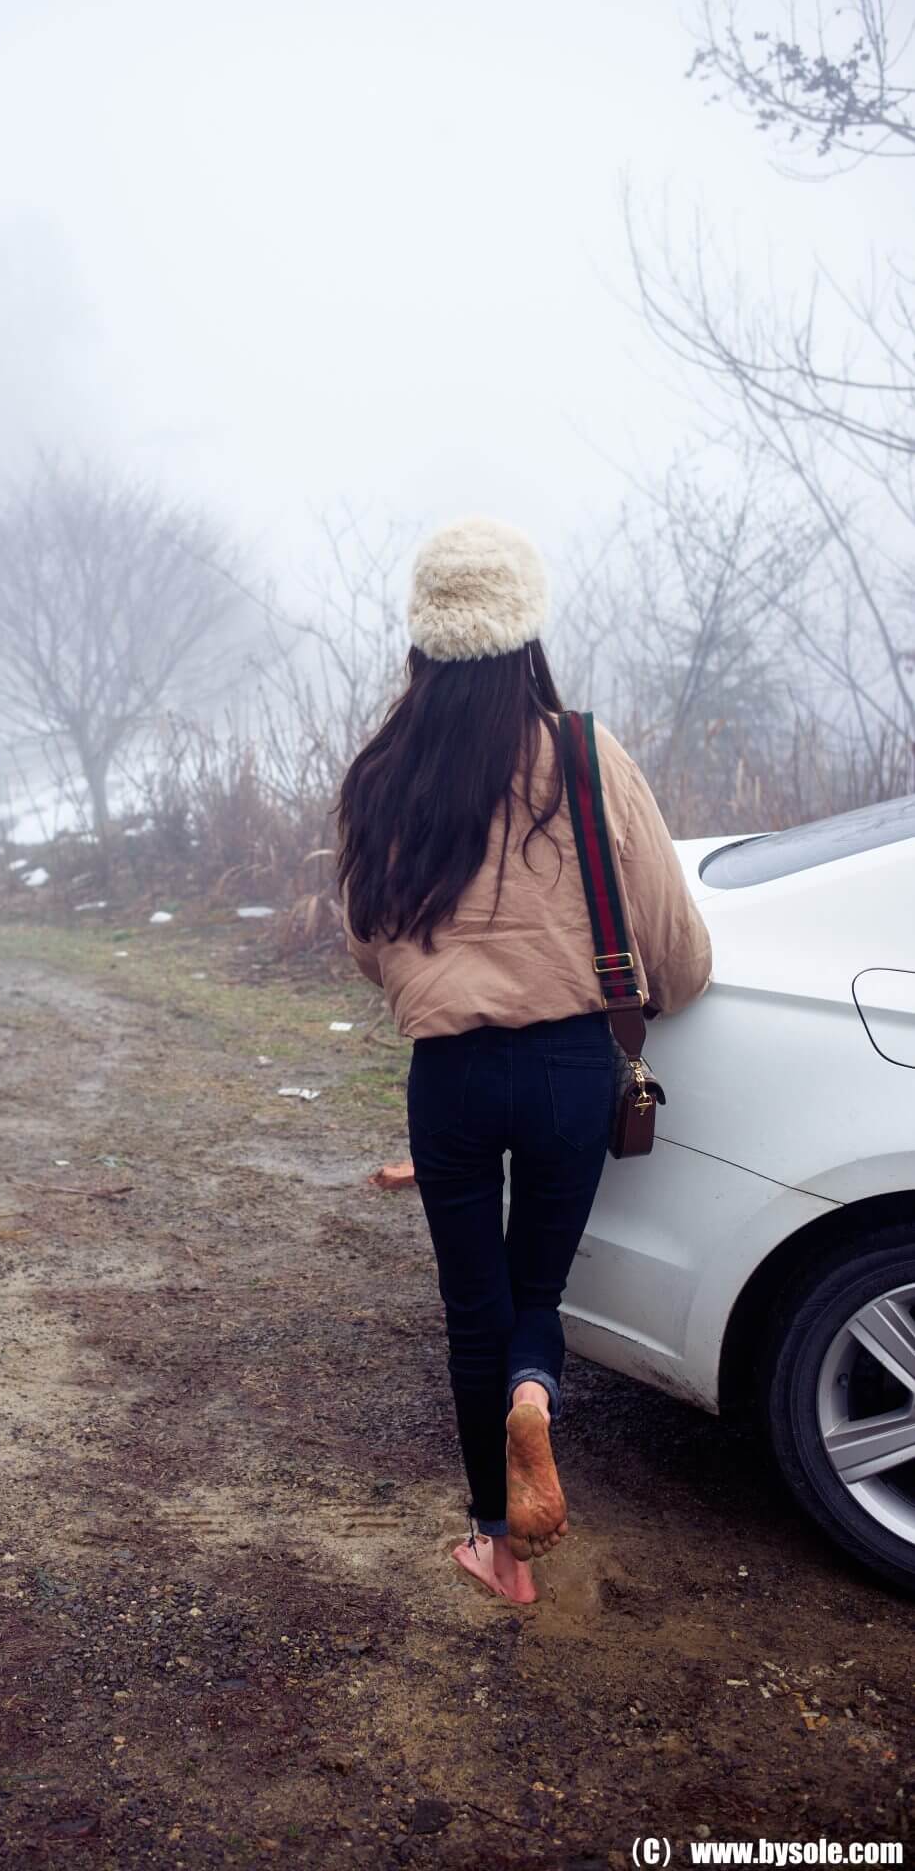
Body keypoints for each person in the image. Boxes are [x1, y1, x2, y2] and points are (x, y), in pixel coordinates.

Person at [336, 517, 712, 1605]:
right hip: (566, 1069)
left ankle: (498, 1552)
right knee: (537, 1286)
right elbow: (669, 941)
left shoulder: (382, 773)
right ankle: (533, 1401)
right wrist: (666, 992)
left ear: (423, 640)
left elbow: (368, 942)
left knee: (473, 1307)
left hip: (449, 1079)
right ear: (525, 634)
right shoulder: (583, 754)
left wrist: (437, 985)